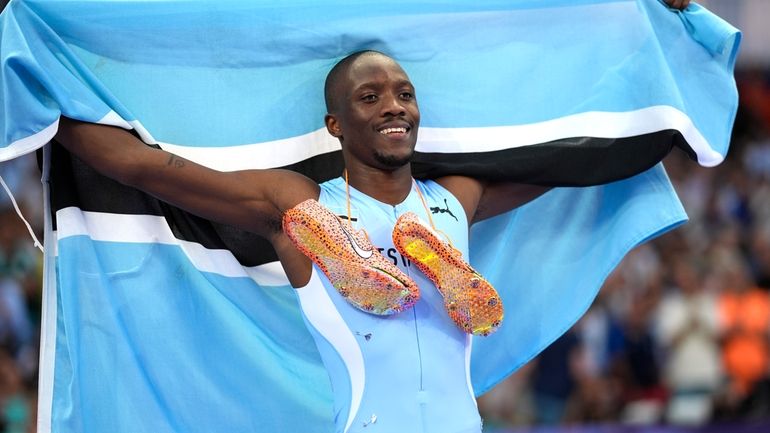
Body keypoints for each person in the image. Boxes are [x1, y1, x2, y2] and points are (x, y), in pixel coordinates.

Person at [52, 2, 691, 431]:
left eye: (406, 95)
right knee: (323, 231)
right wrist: (46, 78)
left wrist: (655, 42)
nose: (395, 107)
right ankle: (351, 257)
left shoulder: (454, 199)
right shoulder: (295, 204)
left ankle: (437, 275)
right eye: (370, 96)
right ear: (334, 124)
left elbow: (578, 154)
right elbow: (145, 169)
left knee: (465, 219)